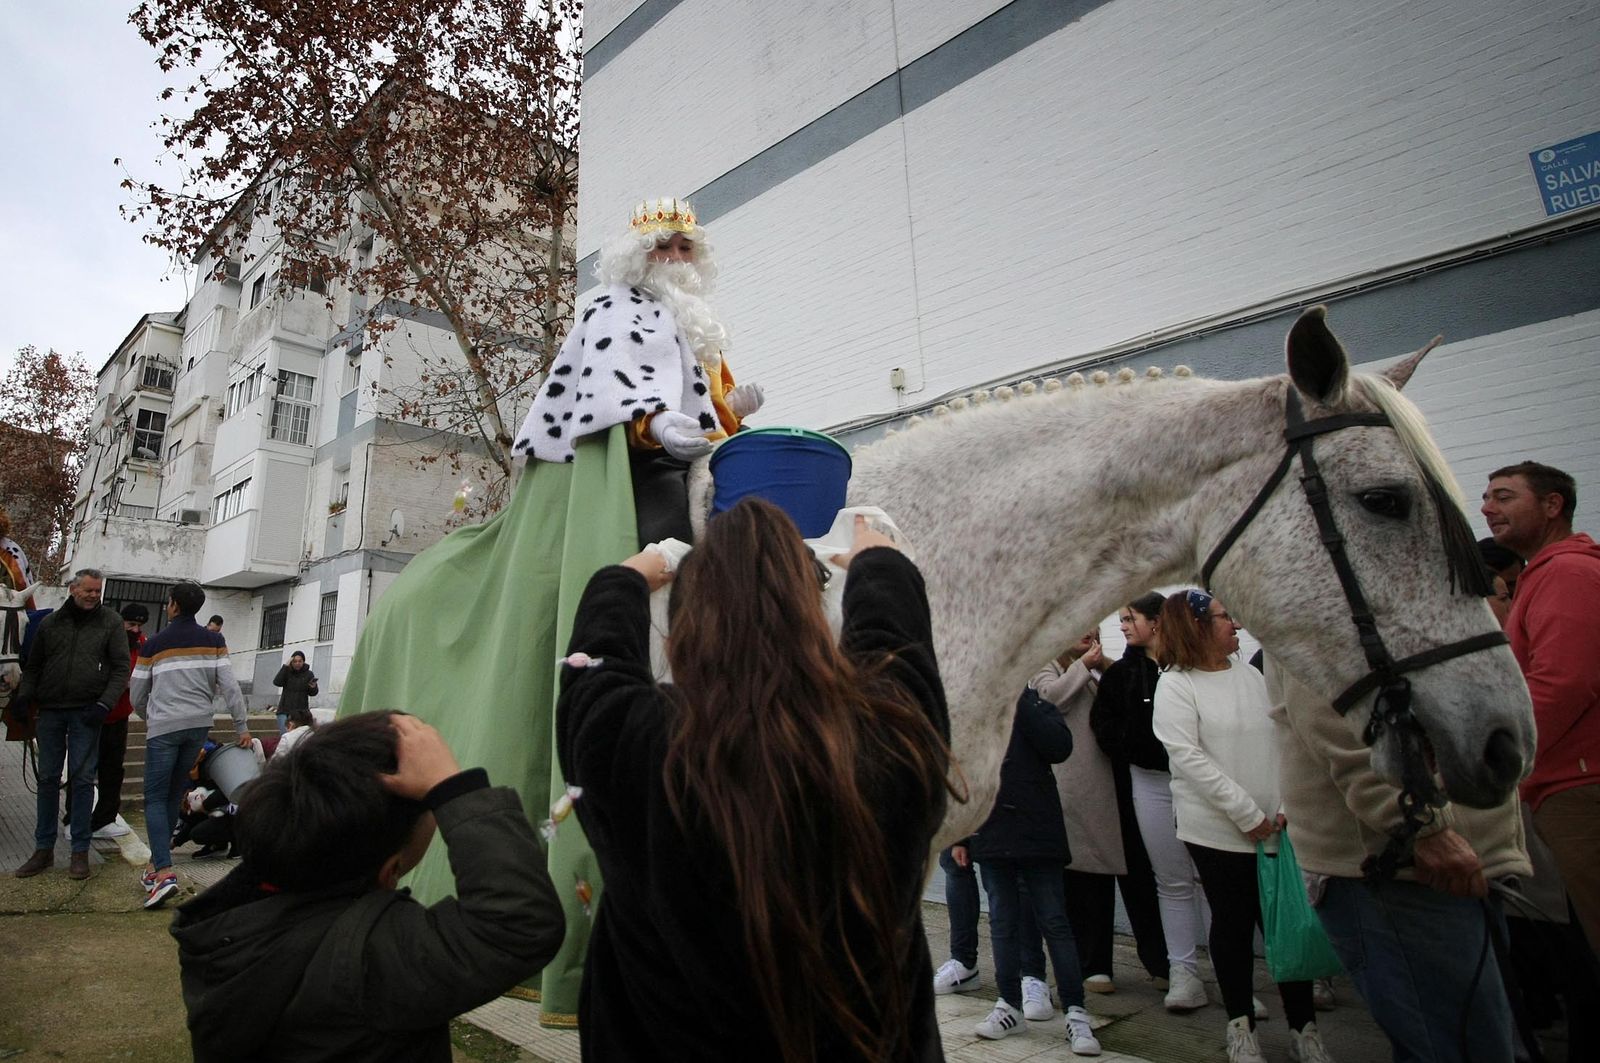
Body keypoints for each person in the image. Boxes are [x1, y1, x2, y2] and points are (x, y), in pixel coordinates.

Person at [339, 197, 767, 1024]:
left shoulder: (695, 328)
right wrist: (652, 431)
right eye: (665, 242)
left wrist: (725, 413)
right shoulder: (611, 309)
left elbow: (696, 421)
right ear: (640, 251)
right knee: (627, 600)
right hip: (624, 490)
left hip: (682, 478)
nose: (679, 254)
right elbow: (604, 405)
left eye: (688, 244)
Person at [557, 502, 951, 1061]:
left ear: (677, 636)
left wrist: (622, 578)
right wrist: (881, 564)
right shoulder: (891, 739)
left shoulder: (631, 745)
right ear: (817, 621)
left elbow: (595, 661)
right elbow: (898, 645)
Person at [171, 711, 564, 1062]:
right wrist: (454, 786)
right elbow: (516, 924)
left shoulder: (225, 925)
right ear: (389, 872)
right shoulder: (369, 957)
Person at [1153, 590, 1332, 1063]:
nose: (1235, 626)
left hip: (1275, 827)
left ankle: (1304, 1030)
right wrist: (1247, 813)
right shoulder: (1176, 685)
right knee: (1233, 926)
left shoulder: (1250, 676)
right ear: (1195, 626)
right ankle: (1241, 1030)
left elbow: (1284, 738)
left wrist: (1286, 803)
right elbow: (1189, 759)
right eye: (1224, 618)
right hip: (1217, 831)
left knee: (1284, 927)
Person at [1482, 461, 1600, 956]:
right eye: (1488, 498)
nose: (1488, 508)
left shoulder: (1568, 572)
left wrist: (1502, 760)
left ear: (1553, 506)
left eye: (1505, 496)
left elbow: (1563, 683)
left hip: (1582, 787)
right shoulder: (1544, 574)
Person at [964, 685, 1102, 1054]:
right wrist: (961, 836)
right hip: (992, 832)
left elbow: (1059, 746)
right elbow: (964, 767)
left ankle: (1076, 1012)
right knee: (1002, 921)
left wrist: (1019, 698)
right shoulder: (981, 710)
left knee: (1055, 921)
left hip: (1039, 833)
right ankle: (1009, 1004)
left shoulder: (1037, 705)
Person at [1034, 630, 1169, 997]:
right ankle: (1095, 966)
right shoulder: (1047, 666)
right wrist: (1082, 666)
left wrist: (1102, 668)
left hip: (1124, 781)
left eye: (1094, 627)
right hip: (1083, 789)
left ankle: (1160, 962)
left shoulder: (1108, 669)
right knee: (1087, 879)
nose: (1088, 633)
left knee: (1141, 874)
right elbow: (1049, 699)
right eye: (1078, 627)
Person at [1090, 592, 1207, 1011]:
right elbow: (1104, 728)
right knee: (1170, 880)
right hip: (1150, 783)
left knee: (1213, 878)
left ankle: (1236, 981)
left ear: (1157, 622)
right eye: (1120, 619)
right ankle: (1183, 972)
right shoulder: (1122, 675)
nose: (1122, 626)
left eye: (1129, 618)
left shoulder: (1191, 669)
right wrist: (1138, 748)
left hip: (1198, 783)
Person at [131, 579, 250, 909]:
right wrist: (241, 726)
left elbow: (137, 695)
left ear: (172, 606)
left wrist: (151, 715)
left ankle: (164, 873)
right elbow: (230, 688)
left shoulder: (153, 644)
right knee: (173, 793)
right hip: (198, 727)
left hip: (164, 728)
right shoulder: (214, 641)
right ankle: (157, 863)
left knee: (155, 797)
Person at [12, 568, 130, 881]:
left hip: (87, 712)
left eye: (97, 590)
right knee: (48, 779)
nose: (94, 595)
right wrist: (25, 697)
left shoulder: (110, 622)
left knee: (82, 781)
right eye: (89, 590)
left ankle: (80, 850)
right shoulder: (50, 624)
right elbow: (34, 666)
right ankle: (43, 849)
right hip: (50, 711)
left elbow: (120, 668)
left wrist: (104, 703)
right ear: (73, 589)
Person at [83, 603, 146, 839]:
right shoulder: (105, 640)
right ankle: (75, 819)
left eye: (139, 626)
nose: (135, 630)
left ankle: (105, 819)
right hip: (96, 714)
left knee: (113, 771)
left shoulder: (142, 644)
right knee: (85, 770)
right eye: (131, 624)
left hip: (120, 717)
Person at [273, 651, 318, 734]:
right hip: (284, 711)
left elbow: (313, 693)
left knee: (298, 737)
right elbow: (277, 682)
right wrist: (285, 666)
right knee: (285, 736)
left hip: (301, 713)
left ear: (303, 662)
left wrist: (313, 687)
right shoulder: (287, 672)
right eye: (295, 661)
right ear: (291, 662)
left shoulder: (309, 674)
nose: (297, 663)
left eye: (300, 661)